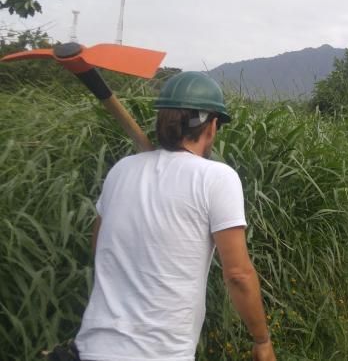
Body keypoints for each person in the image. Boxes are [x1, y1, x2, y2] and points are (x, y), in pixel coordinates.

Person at [75, 71, 275, 361]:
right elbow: (238, 275)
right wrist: (262, 340)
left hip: (91, 348)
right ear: (211, 126)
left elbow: (99, 248)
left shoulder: (121, 170)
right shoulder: (217, 178)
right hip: (160, 353)